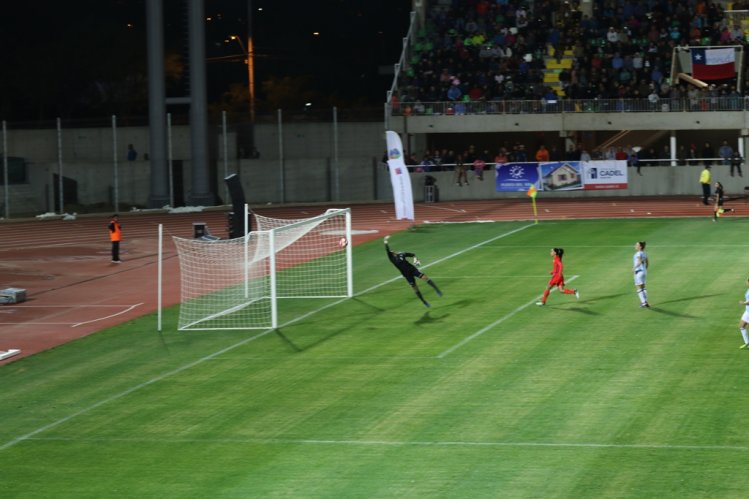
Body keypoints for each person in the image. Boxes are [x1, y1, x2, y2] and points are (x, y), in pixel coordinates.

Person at [384, 235, 442, 308]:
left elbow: (413, 254)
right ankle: (424, 302)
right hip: (407, 275)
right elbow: (387, 249)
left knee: (425, 278)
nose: (391, 252)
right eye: (390, 252)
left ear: (394, 252)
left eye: (392, 251)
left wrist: (415, 260)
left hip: (412, 269)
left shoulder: (402, 254)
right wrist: (385, 241)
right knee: (415, 288)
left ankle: (437, 290)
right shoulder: (392, 259)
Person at [633, 241, 649, 308]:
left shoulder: (638, 253)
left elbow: (639, 262)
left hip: (639, 272)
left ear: (640, 247)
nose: (635, 246)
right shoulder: (645, 253)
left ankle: (643, 303)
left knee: (639, 288)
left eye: (636, 245)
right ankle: (646, 302)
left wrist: (634, 267)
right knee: (643, 287)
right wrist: (644, 270)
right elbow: (647, 263)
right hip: (644, 272)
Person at [738, 277, 749, 349]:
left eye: (747, 281)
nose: (746, 281)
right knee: (741, 326)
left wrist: (743, 303)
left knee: (742, 326)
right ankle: (747, 343)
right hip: (747, 311)